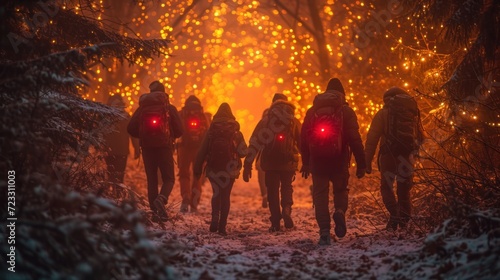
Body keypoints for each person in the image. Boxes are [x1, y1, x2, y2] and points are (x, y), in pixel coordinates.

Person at [301, 78, 366, 245]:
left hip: (317, 160)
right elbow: (355, 138)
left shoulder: (313, 110)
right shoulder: (346, 111)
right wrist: (361, 162)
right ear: (342, 95)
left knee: (320, 195)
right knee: (340, 190)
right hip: (339, 160)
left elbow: (303, 138)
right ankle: (339, 211)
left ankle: (324, 232)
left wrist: (306, 162)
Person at [365, 87, 424, 231]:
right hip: (407, 156)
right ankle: (404, 222)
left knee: (387, 187)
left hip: (388, 155)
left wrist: (366, 162)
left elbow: (372, 139)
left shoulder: (382, 114)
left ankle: (394, 213)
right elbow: (421, 137)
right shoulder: (413, 112)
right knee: (404, 189)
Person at [243, 93, 301, 232]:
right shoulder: (293, 120)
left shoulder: (266, 120)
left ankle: (275, 221)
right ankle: (286, 208)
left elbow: (254, 142)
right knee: (287, 186)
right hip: (288, 162)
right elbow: (302, 142)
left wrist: (248, 164)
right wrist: (308, 162)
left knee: (272, 191)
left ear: (273, 103)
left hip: (270, 162)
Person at [127, 81, 183, 221]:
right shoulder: (169, 108)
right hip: (165, 147)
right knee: (169, 178)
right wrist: (170, 135)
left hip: (147, 148)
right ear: (163, 93)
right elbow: (180, 130)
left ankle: (155, 213)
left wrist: (143, 134)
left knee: (151, 180)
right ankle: (162, 199)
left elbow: (130, 128)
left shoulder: (142, 109)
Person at [194, 103, 247, 235]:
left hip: (214, 168)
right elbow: (243, 152)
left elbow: (202, 151)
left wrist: (197, 168)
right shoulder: (235, 131)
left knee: (216, 193)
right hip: (230, 169)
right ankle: (222, 226)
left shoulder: (211, 130)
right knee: (226, 196)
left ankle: (214, 219)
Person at [177, 95, 210, 213]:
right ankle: (194, 203)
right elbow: (208, 132)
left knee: (184, 174)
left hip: (184, 148)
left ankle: (185, 197)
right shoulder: (203, 115)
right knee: (197, 176)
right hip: (199, 150)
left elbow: (176, 130)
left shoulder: (181, 114)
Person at [103, 94, 140, 184]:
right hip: (122, 150)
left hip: (109, 150)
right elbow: (133, 133)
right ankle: (118, 192)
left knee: (111, 172)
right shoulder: (126, 116)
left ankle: (111, 193)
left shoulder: (105, 116)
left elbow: (100, 132)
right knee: (120, 173)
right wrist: (137, 149)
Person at [255, 108, 270, 208]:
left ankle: (265, 194)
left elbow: (255, 141)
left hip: (262, 157)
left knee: (261, 178)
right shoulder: (283, 121)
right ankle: (273, 195)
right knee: (275, 178)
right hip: (277, 158)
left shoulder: (262, 123)